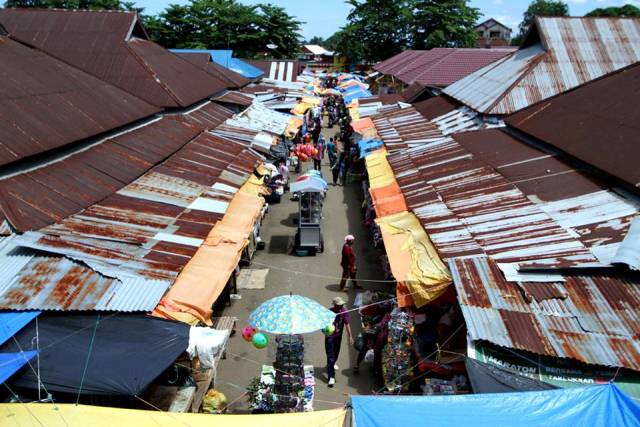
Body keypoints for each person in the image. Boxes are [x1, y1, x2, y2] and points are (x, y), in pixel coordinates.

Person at [325, 296, 354, 387]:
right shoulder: (329, 312)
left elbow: (347, 324)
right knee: (330, 355)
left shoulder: (344, 312)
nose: (341, 306)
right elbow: (323, 324)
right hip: (329, 336)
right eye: (339, 305)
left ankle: (332, 363)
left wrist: (350, 336)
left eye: (342, 304)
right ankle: (331, 377)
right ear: (334, 305)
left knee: (336, 352)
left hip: (338, 336)